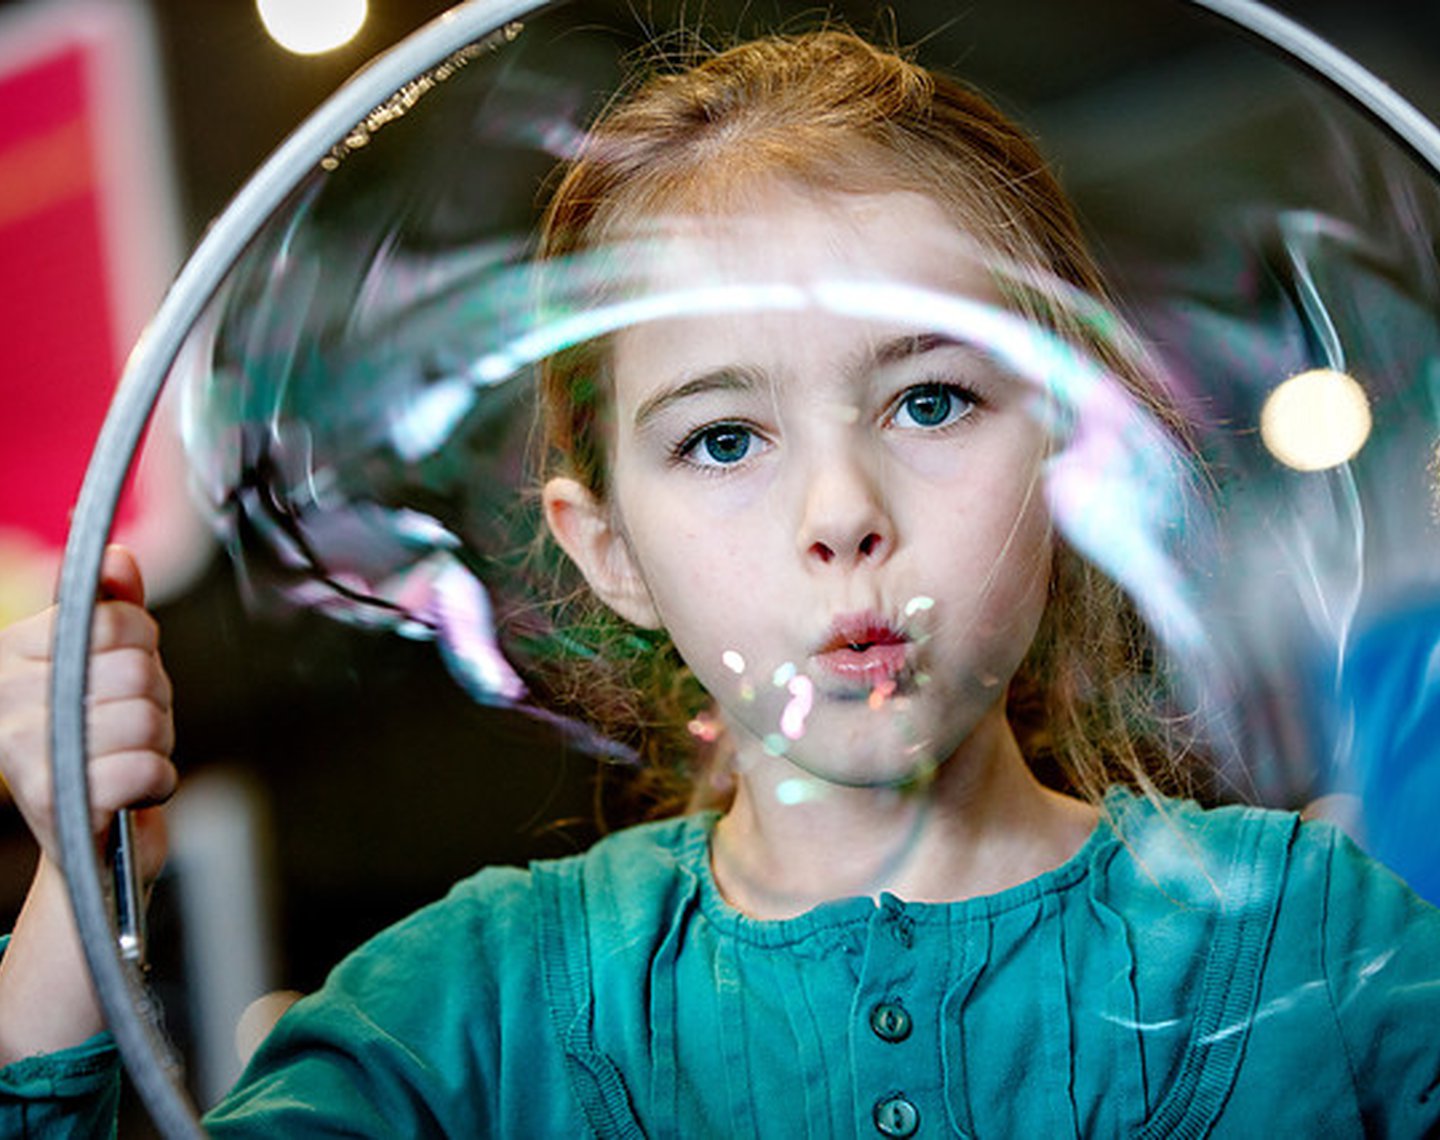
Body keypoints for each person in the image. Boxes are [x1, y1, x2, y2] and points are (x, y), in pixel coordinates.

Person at [3, 29, 1439, 1138]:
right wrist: (81, 880)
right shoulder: (463, 1021)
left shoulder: (1322, 947)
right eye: (725, 437)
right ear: (607, 547)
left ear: (1077, 449)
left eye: (931, 401)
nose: (841, 516)